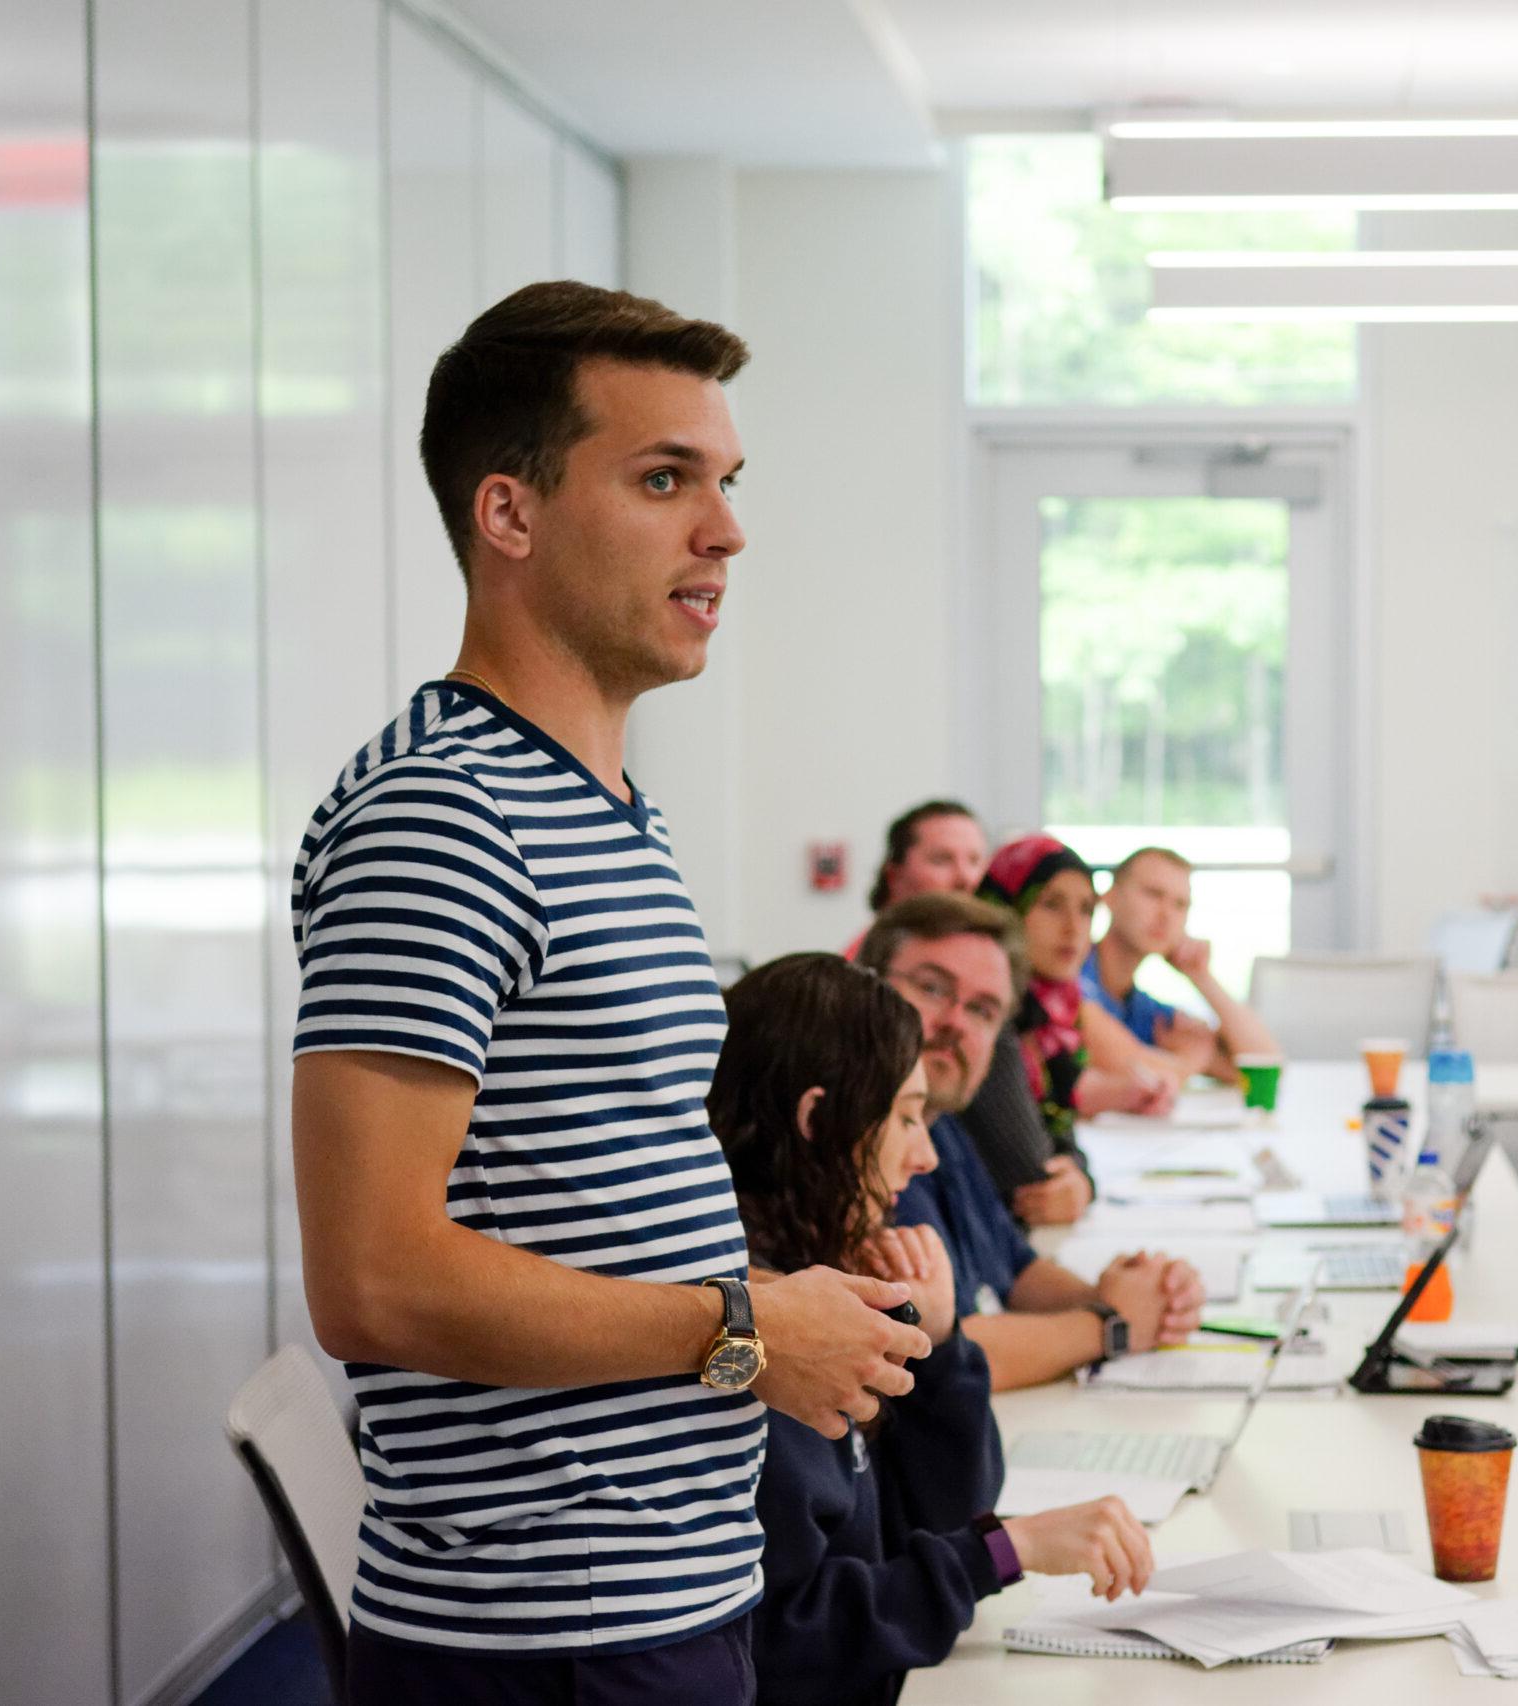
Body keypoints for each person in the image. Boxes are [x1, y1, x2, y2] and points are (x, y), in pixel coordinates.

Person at [288, 282, 928, 1706]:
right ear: (508, 514)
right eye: (663, 480)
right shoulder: (442, 815)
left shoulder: (601, 803)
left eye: (727, 482)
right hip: (546, 1631)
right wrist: (749, 1325)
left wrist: (802, 1285)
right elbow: (373, 1278)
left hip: (654, 1594)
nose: (727, 529)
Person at [709, 955, 1156, 1706]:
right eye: (907, 1118)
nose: (926, 1155)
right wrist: (1005, 1552)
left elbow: (943, 1513)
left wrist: (942, 1348)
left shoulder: (811, 1273)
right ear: (818, 1121)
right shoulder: (765, 1335)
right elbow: (783, 1644)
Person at [857, 893, 1208, 1391]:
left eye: (982, 1009)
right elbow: (935, 1356)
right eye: (933, 988)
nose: (956, 1021)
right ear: (865, 985)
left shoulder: (944, 1129)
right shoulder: (854, 1149)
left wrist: (1135, 1300)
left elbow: (1018, 1272)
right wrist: (1109, 1325)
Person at [977, 836, 1185, 1155]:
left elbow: (1065, 1090)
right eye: (1051, 904)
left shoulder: (1054, 1006)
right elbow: (1028, 1163)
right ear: (1005, 909)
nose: (1073, 928)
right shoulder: (983, 1012)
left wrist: (1126, 1093)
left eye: (1086, 910)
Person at [1082, 846, 1280, 1082]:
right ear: (1109, 897)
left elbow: (1264, 1067)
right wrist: (1191, 1061)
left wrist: (1201, 976)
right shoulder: (1070, 976)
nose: (1166, 914)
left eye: (1180, 905)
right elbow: (1129, 1066)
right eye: (1153, 894)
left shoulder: (1140, 1008)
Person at [843, 800, 985, 960]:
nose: (966, 878)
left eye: (974, 860)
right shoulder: (863, 968)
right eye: (941, 860)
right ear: (894, 876)